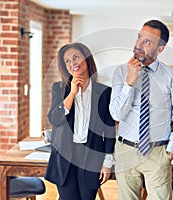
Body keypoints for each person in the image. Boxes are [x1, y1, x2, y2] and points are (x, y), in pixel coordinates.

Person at [109, 19, 173, 199]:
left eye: (147, 42)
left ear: (160, 49)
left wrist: (171, 150)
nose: (139, 44)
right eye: (139, 37)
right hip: (125, 151)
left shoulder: (172, 77)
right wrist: (129, 82)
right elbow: (116, 114)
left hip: (157, 153)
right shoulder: (120, 72)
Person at [45, 43, 116, 200]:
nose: (72, 63)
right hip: (64, 158)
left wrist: (107, 162)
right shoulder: (59, 88)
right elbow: (55, 119)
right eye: (67, 61)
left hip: (91, 157)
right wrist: (71, 94)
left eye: (76, 57)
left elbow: (109, 130)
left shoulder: (104, 92)